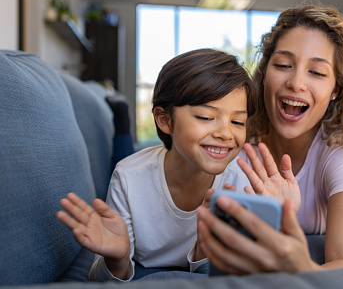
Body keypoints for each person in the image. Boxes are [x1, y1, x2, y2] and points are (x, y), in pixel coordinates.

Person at [196, 2, 343, 274]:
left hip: (323, 263)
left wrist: (298, 266)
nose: (296, 82)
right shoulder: (234, 138)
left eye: (317, 72)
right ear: (264, 74)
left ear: (335, 90)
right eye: (283, 65)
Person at [56, 48, 256, 281]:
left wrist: (206, 248)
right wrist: (118, 259)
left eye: (238, 121)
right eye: (205, 117)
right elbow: (101, 280)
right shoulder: (128, 177)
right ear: (164, 120)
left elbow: (229, 277)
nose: (226, 133)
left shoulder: (241, 182)